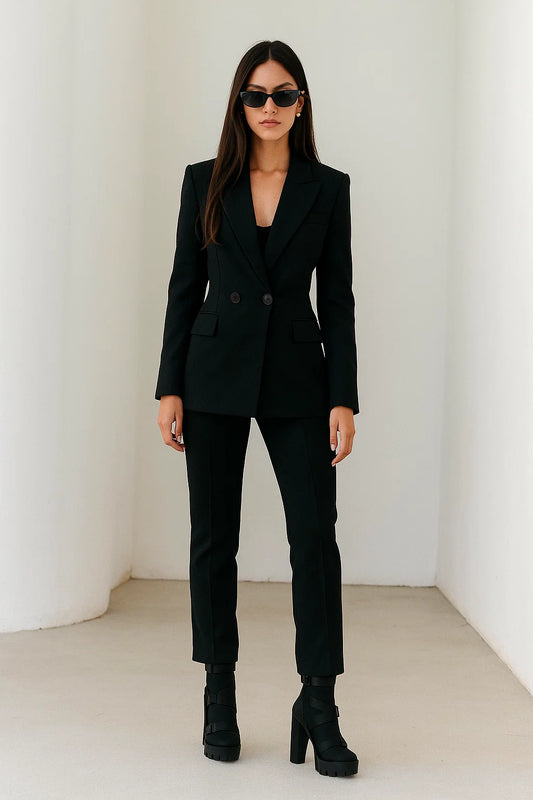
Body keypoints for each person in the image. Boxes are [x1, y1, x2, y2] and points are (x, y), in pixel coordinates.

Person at [155, 40, 360, 778]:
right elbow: (184, 287)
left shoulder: (327, 188)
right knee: (214, 539)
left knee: (315, 539)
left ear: (301, 103)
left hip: (298, 378)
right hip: (212, 373)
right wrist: (169, 385)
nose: (268, 107)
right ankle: (219, 692)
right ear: (239, 104)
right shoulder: (203, 180)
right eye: (255, 95)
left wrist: (343, 396)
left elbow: (337, 300)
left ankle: (319, 702)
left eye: (282, 94)